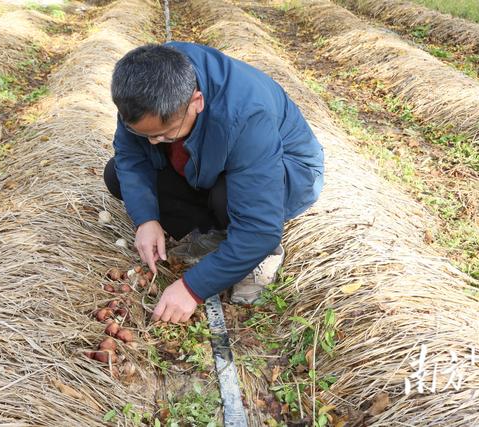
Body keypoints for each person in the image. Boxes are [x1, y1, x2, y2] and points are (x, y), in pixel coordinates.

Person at [104, 42, 324, 323]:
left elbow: (259, 228)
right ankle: (217, 236)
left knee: (230, 200)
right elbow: (131, 157)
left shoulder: (245, 115)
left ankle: (263, 256)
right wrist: (145, 219)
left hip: (286, 170)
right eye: (145, 134)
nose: (152, 142)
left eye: (164, 134)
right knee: (117, 176)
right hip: (210, 159)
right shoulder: (142, 88)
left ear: (197, 101)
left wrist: (191, 289)